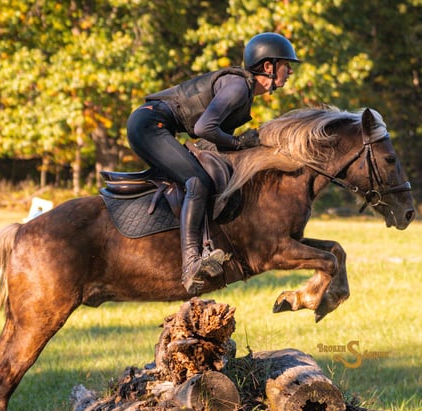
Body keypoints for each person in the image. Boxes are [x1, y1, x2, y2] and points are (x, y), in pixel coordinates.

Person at [126, 32, 300, 295]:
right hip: (149, 125)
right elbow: (203, 128)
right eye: (286, 65)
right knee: (197, 181)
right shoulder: (239, 87)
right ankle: (191, 263)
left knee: (202, 177)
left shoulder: (242, 90)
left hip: (154, 125)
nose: (290, 72)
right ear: (268, 66)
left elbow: (210, 140)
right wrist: (239, 142)